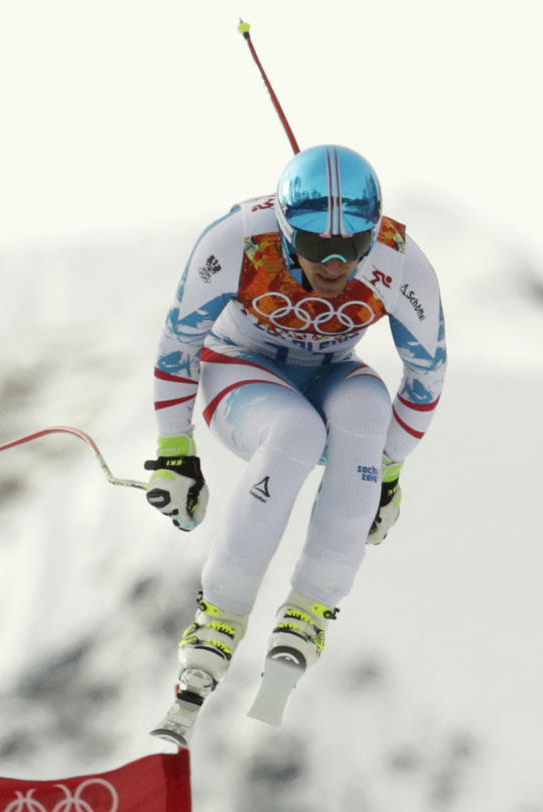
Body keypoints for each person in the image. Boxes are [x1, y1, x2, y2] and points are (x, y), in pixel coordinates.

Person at [145, 143, 446, 734]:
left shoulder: (400, 263)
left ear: (373, 236)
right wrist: (174, 452)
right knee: (296, 430)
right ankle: (219, 616)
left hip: (333, 370)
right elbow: (178, 344)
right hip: (239, 366)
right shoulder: (236, 241)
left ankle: (312, 606)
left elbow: (426, 377)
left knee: (365, 407)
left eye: (351, 249)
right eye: (313, 248)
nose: (334, 266)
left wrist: (388, 469)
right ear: (285, 233)